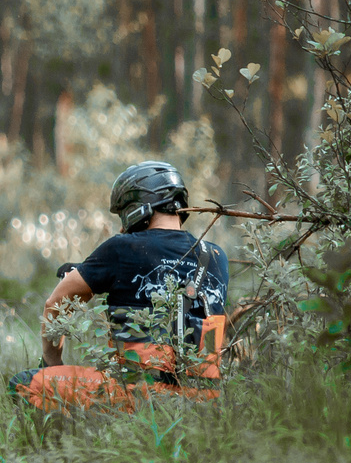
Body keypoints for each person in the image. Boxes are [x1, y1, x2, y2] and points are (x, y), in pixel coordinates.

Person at [17, 159, 229, 409]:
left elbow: (55, 304)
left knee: (23, 384)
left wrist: (52, 362)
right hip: (203, 400)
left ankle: (82, 430)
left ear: (139, 208)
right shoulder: (216, 256)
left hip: (138, 395)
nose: (121, 225)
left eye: (124, 212)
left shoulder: (121, 248)